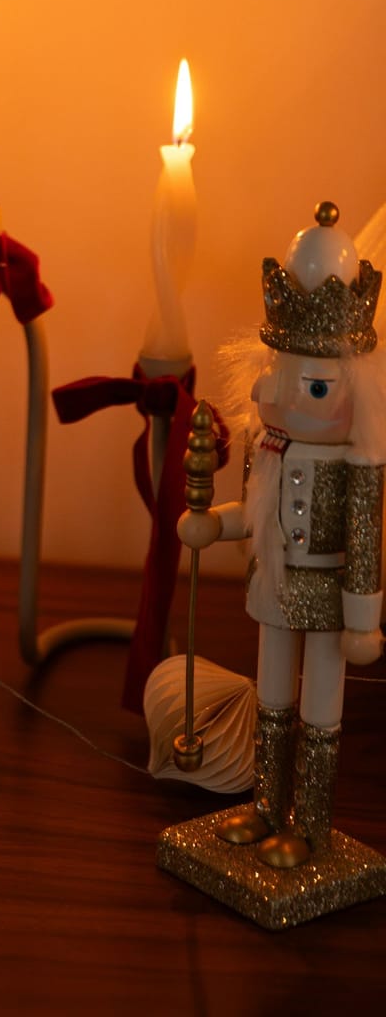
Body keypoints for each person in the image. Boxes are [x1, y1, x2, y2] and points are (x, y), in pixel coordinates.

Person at [179, 201, 386, 868]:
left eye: (317, 385)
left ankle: (313, 825)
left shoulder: (359, 465)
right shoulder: (266, 446)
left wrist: (364, 621)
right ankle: (268, 805)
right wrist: (213, 524)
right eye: (280, 374)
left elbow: (365, 543)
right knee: (271, 696)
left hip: (328, 599)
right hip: (273, 586)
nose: (289, 396)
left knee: (320, 710)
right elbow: (253, 513)